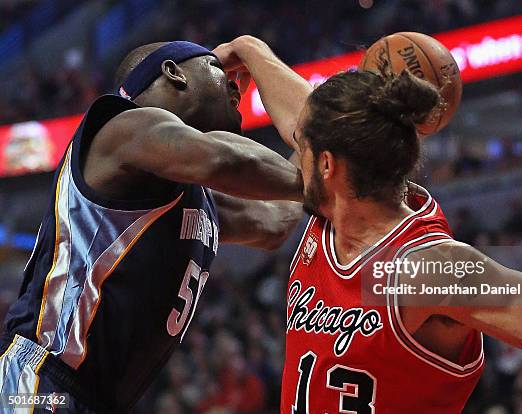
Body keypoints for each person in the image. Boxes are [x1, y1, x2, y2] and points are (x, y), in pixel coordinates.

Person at [275, 67, 522, 412]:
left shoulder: (429, 269)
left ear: (327, 164)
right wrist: (249, 50)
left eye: (301, 149)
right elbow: (300, 116)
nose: (295, 158)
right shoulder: (328, 220)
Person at [0, 39, 306, 413]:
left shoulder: (196, 196)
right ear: (173, 72)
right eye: (216, 69)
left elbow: (279, 222)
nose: (234, 85)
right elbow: (225, 160)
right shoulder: (123, 126)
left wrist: (321, 139)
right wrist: (252, 49)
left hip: (93, 399)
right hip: (41, 379)